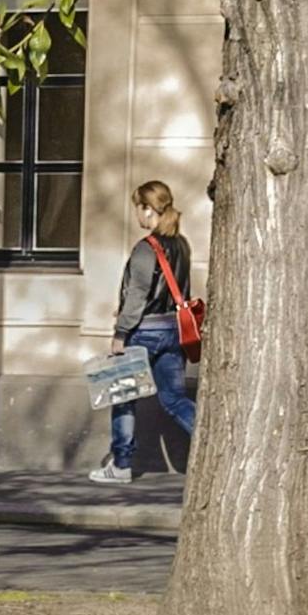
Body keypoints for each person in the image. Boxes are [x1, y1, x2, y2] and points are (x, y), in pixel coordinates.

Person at [92, 181, 200, 485]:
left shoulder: (145, 247)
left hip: (144, 331)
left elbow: (139, 293)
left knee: (124, 398)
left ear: (148, 209)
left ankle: (121, 466)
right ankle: (214, 448)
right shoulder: (182, 244)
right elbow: (172, 289)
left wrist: (120, 332)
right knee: (175, 400)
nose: (136, 215)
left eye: (138, 208)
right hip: (173, 331)